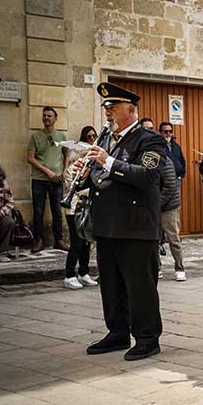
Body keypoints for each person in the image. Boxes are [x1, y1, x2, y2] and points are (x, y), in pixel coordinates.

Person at [75, 82, 166, 361]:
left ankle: (147, 338)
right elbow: (99, 178)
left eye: (113, 108)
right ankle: (117, 333)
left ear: (130, 109)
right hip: (107, 224)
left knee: (140, 287)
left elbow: (147, 176)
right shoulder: (105, 139)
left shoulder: (149, 139)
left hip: (136, 226)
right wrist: (84, 172)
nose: (108, 114)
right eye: (106, 109)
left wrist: (108, 161)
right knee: (111, 284)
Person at [142, 118, 186, 281]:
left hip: (168, 205)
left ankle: (179, 268)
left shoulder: (166, 162)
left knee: (173, 238)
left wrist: (156, 205)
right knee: (153, 239)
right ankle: (157, 267)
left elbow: (169, 188)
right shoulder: (147, 162)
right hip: (153, 205)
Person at [27, 106, 68, 253]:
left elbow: (66, 154)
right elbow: (30, 158)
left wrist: (64, 171)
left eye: (49, 116)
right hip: (39, 180)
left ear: (55, 119)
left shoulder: (62, 136)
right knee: (38, 211)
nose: (46, 118)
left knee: (57, 210)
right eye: (44, 115)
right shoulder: (35, 137)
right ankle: (38, 240)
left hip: (56, 179)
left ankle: (59, 240)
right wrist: (47, 171)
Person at [62, 127, 99, 289]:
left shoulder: (92, 169)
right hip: (74, 210)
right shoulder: (72, 170)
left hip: (88, 209)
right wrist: (92, 187)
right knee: (76, 242)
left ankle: (84, 273)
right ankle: (69, 275)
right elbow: (76, 190)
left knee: (86, 243)